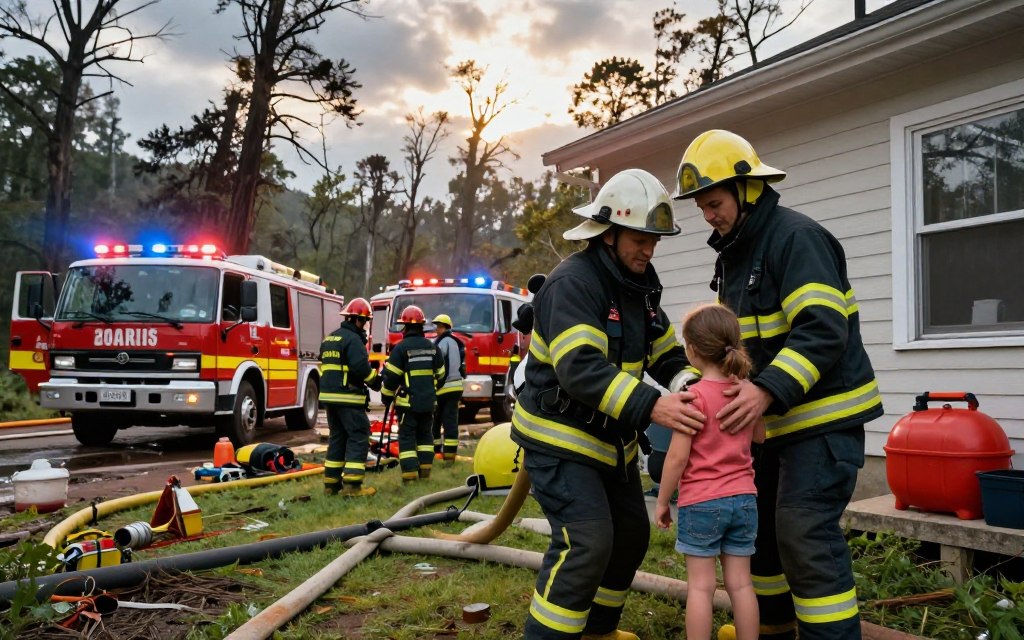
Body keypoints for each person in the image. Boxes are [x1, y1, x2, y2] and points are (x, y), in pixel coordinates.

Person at [673, 129, 883, 640]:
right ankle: (770, 631)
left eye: (714, 203)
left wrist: (765, 390)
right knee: (761, 536)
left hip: (821, 422)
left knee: (801, 532)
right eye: (701, 208)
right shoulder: (738, 254)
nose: (709, 216)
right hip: (771, 427)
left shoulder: (796, 239)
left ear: (747, 189)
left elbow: (822, 327)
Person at [509, 168, 705, 640]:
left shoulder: (638, 285)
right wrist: (655, 409)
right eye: (640, 238)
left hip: (609, 444)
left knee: (631, 536)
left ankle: (599, 630)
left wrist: (693, 386)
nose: (648, 249)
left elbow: (664, 353)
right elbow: (581, 369)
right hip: (559, 439)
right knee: (588, 542)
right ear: (608, 231)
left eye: (654, 239)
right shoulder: (574, 284)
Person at [655, 303, 761, 640]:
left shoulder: (692, 398)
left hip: (702, 502)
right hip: (744, 501)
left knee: (701, 588)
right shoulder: (744, 393)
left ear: (693, 350)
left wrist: (661, 501)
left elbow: (676, 458)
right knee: (742, 585)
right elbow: (759, 436)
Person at [318, 298, 381, 497]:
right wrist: (375, 380)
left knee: (338, 437)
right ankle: (353, 487)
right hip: (348, 397)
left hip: (330, 398)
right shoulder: (353, 340)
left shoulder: (330, 338)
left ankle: (331, 484)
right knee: (359, 435)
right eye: (365, 321)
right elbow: (360, 367)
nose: (365, 326)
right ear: (357, 320)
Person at [381, 304, 446, 483]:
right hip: (428, 404)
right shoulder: (432, 348)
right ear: (421, 326)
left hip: (408, 405)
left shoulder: (401, 349)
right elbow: (441, 375)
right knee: (426, 436)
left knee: (407, 437)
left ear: (405, 327)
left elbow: (392, 378)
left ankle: (410, 476)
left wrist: (386, 396)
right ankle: (425, 473)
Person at [431, 313, 464, 462]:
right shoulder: (457, 342)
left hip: (444, 387)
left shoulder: (442, 342)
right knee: (450, 421)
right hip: (456, 386)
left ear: (446, 328)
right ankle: (450, 454)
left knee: (436, 420)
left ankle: (437, 451)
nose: (437, 329)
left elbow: (437, 362)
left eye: (440, 327)